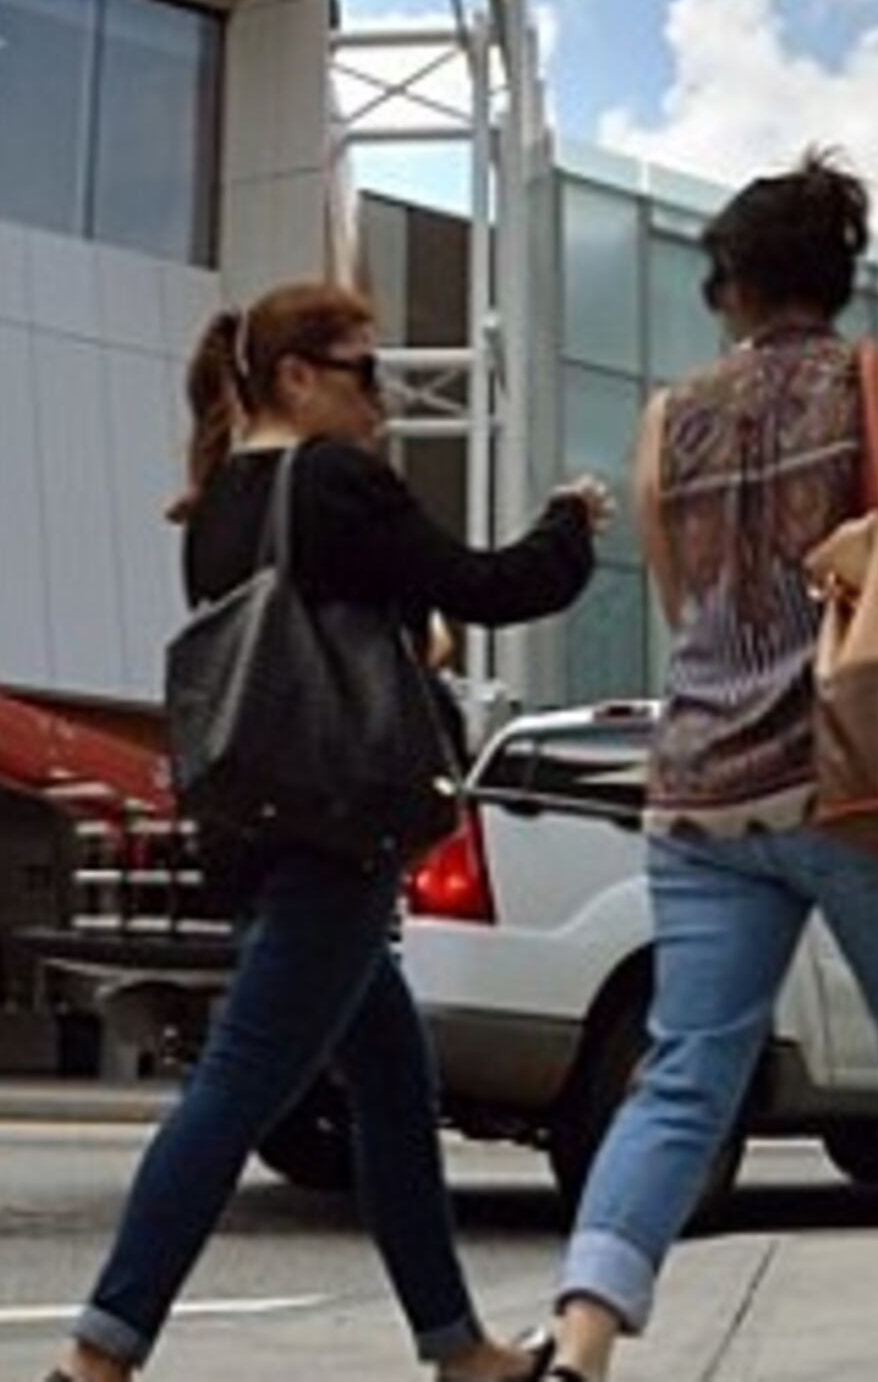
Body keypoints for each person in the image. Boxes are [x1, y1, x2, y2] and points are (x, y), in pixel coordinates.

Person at [544, 151, 878, 1382]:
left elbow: (687, 607)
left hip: (697, 795)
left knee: (681, 1082)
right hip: (865, 790)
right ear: (835, 279)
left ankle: (581, 1337)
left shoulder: (667, 419)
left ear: (728, 285)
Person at [50, 280, 612, 1382]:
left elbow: (319, 640)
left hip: (255, 827)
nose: (385, 400)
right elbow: (491, 589)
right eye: (367, 373)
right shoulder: (338, 482)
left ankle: (459, 1350)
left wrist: (412, 636)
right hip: (339, 827)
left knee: (396, 1091)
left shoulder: (215, 507)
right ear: (299, 377)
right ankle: (95, 1358)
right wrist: (571, 522)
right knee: (236, 1089)